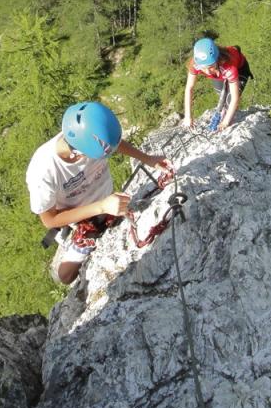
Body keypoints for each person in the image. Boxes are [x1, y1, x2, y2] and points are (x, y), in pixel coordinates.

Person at [26, 101, 174, 285]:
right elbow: (49, 220)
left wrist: (149, 159)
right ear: (77, 154)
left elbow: (114, 143)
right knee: (65, 277)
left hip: (109, 202)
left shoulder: (90, 138)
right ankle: (69, 245)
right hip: (86, 217)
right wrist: (101, 206)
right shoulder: (43, 171)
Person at [182, 38, 252, 132]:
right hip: (218, 73)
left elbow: (235, 98)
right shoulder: (196, 64)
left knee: (229, 101)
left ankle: (226, 116)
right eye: (203, 68)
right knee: (221, 99)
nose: (207, 71)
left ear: (217, 59)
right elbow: (189, 88)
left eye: (210, 66)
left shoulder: (229, 67)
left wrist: (225, 122)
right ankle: (223, 113)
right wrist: (188, 116)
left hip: (240, 69)